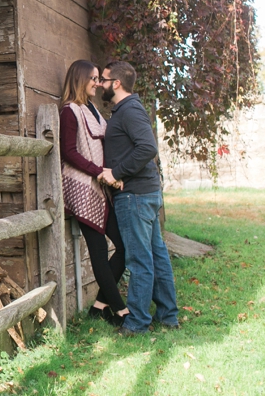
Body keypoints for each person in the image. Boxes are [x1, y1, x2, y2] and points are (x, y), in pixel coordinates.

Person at [98, 60, 179, 335]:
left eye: (104, 80)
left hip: (134, 196)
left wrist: (116, 172)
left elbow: (148, 148)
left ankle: (137, 324)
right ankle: (168, 316)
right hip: (145, 193)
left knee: (140, 260)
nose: (99, 84)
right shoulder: (127, 109)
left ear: (116, 84)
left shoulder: (129, 110)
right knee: (156, 256)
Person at [59, 60, 129, 326]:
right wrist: (97, 171)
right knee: (99, 250)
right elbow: (68, 152)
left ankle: (99, 306)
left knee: (123, 246)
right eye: (94, 78)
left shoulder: (95, 111)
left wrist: (109, 173)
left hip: (101, 187)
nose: (98, 84)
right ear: (80, 79)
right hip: (82, 187)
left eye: (100, 79)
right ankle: (121, 311)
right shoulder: (69, 111)